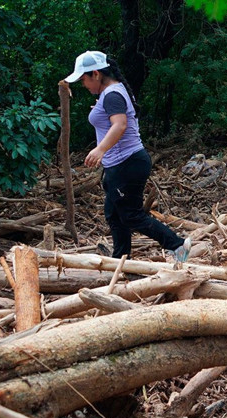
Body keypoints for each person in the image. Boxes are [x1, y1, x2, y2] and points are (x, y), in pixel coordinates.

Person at [65, 50, 190, 262]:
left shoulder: (112, 94)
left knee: (131, 215)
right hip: (121, 164)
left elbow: (120, 125)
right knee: (114, 214)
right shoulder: (111, 93)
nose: (83, 85)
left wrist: (100, 149)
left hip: (127, 163)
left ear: (96, 74)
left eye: (84, 79)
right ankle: (121, 261)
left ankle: (177, 245)